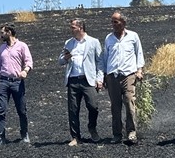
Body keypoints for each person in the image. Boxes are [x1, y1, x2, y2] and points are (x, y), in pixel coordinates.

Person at [100, 11, 145, 145]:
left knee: (129, 101)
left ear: (123, 23)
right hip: (112, 76)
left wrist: (139, 70)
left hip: (128, 75)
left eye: (115, 22)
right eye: (112, 22)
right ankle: (117, 134)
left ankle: (131, 132)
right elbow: (105, 57)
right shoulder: (109, 38)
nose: (113, 24)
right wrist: (103, 75)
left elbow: (139, 53)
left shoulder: (133, 36)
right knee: (115, 106)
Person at [57, 18, 102, 145]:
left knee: (93, 107)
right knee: (73, 109)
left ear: (80, 28)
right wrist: (65, 57)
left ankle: (92, 128)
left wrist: (99, 79)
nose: (71, 30)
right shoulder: (69, 43)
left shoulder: (93, 42)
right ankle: (75, 137)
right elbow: (60, 61)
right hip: (73, 79)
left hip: (88, 80)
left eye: (73, 27)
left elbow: (100, 62)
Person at [0, 24, 33, 146]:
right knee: (1, 110)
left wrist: (25, 71)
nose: (1, 35)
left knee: (21, 110)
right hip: (3, 82)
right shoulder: (2, 48)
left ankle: (24, 134)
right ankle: (0, 138)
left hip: (17, 82)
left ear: (9, 32)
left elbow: (29, 61)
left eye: (2, 32)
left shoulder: (22, 46)